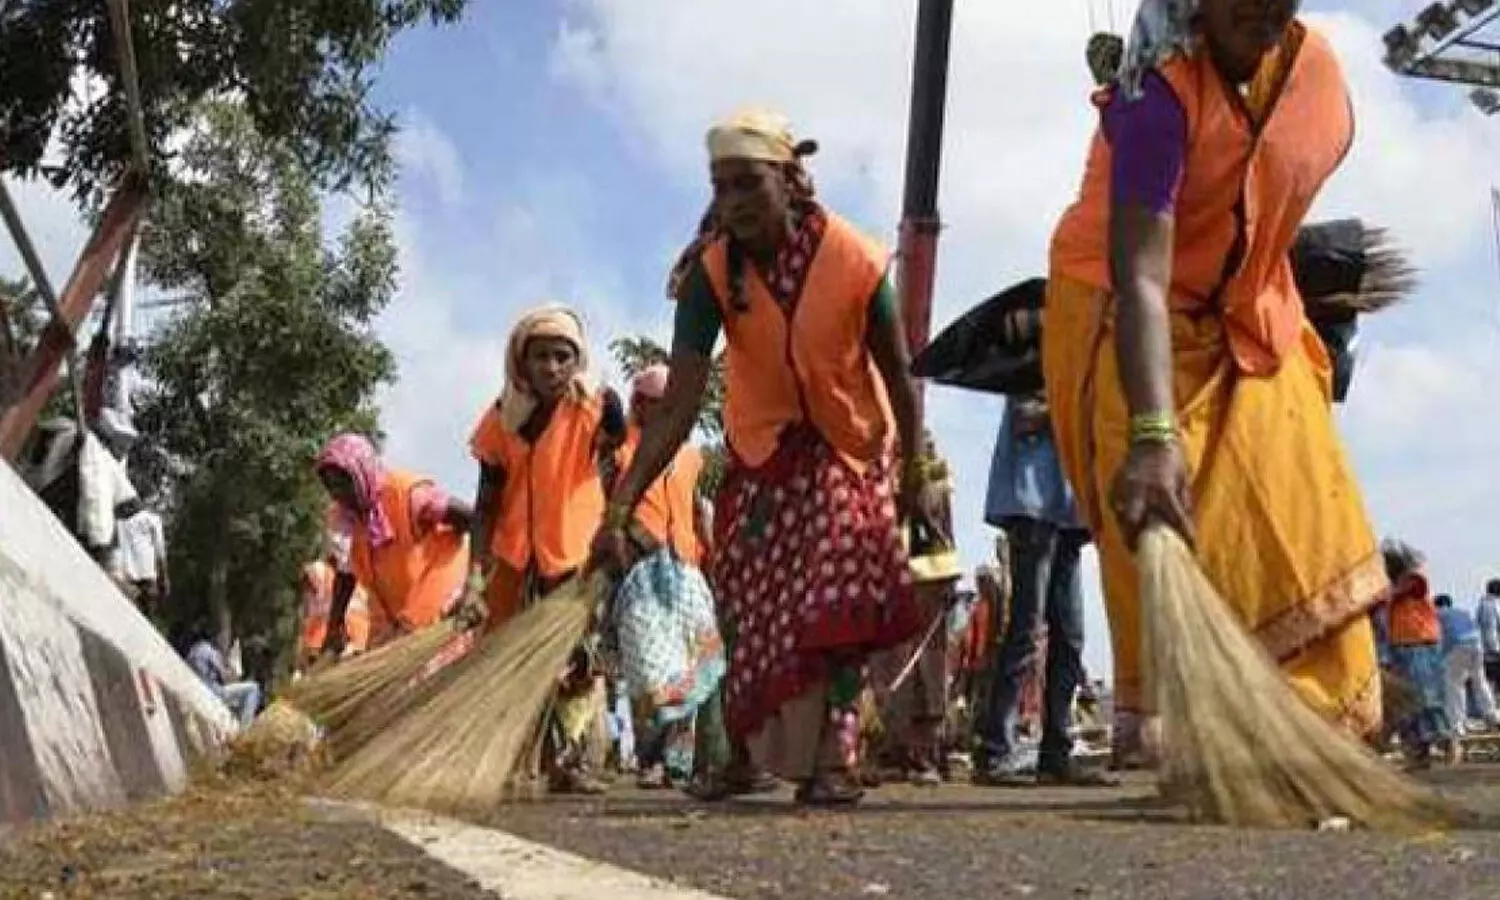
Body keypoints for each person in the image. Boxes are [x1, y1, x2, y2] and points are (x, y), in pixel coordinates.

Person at [1039, 0, 1386, 752]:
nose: (1263, 7)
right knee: (1174, 505)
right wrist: (1153, 433)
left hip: (1254, 305)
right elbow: (1141, 279)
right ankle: (1198, 723)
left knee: (1301, 498)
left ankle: (1304, 729)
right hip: (1126, 305)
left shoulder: (1315, 72)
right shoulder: (1153, 97)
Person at [591, 109, 934, 807]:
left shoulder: (857, 260)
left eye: (749, 183)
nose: (735, 202)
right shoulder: (712, 276)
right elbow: (680, 406)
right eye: (722, 187)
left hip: (845, 450)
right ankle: (741, 757)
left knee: (841, 596)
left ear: (790, 179)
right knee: (747, 612)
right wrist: (620, 504)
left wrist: (915, 472)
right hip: (762, 456)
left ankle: (835, 758)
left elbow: (899, 375)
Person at [458, 304, 627, 795]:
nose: (551, 368)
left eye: (562, 357)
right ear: (520, 361)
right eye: (540, 357)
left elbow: (618, 450)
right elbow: (485, 505)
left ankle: (566, 763)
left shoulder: (592, 409)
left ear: (578, 362)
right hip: (512, 556)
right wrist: (474, 579)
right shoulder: (501, 418)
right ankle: (509, 761)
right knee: (505, 660)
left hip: (572, 556)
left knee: (576, 665)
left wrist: (614, 528)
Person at [975, 390, 1107, 785]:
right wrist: (1075, 408)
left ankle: (1056, 752)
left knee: (1071, 637)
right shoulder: (1031, 364)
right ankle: (996, 751)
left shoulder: (1073, 364)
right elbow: (1026, 416)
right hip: (1032, 505)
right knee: (1026, 631)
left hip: (1067, 512)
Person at [609, 364, 725, 790]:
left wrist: (711, 552)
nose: (661, 411)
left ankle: (683, 761)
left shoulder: (691, 455)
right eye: (652, 403)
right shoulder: (621, 449)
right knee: (652, 668)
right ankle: (652, 758)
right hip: (641, 571)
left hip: (688, 569)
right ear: (639, 404)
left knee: (699, 665)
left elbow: (697, 507)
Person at [314, 434, 472, 656]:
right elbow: (346, 573)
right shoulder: (348, 520)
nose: (338, 493)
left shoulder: (408, 495)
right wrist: (334, 627)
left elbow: (472, 518)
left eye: (343, 482)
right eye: (331, 486)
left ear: (361, 471)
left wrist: (475, 580)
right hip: (393, 621)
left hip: (435, 602)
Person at [1380, 541, 1449, 769]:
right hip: (1400, 645)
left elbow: (1396, 591)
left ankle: (1445, 738)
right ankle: (1418, 752)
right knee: (1406, 702)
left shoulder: (1415, 579)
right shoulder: (1393, 589)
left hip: (1419, 642)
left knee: (1424, 694)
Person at [296, 552, 372, 674]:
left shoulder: (336, 586)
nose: (309, 588)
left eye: (309, 584)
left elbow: (332, 616)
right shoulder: (315, 597)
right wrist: (307, 652)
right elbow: (314, 623)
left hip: (357, 628)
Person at [1437, 593, 1500, 737]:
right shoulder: (1462, 612)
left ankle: (1457, 726)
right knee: (1480, 681)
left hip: (1458, 647)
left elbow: (1439, 641)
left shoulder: (1437, 615)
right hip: (1476, 646)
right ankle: (1492, 716)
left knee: (1454, 686)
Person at [185, 625, 262, 728]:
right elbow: (225, 677)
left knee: (238, 700)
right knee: (253, 688)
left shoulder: (194, 650)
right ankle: (244, 729)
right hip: (213, 690)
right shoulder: (209, 650)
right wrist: (233, 670)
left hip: (200, 687)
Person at [116, 501, 169, 620]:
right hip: (147, 574)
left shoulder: (121, 522)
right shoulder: (153, 520)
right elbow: (160, 551)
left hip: (127, 576)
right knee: (149, 615)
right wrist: (164, 577)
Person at [1479, 580, 1500, 696]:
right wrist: (1496, 649)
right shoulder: (1490, 606)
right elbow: (1490, 630)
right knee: (1492, 678)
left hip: (1487, 649)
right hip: (1491, 651)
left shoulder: (1486, 604)